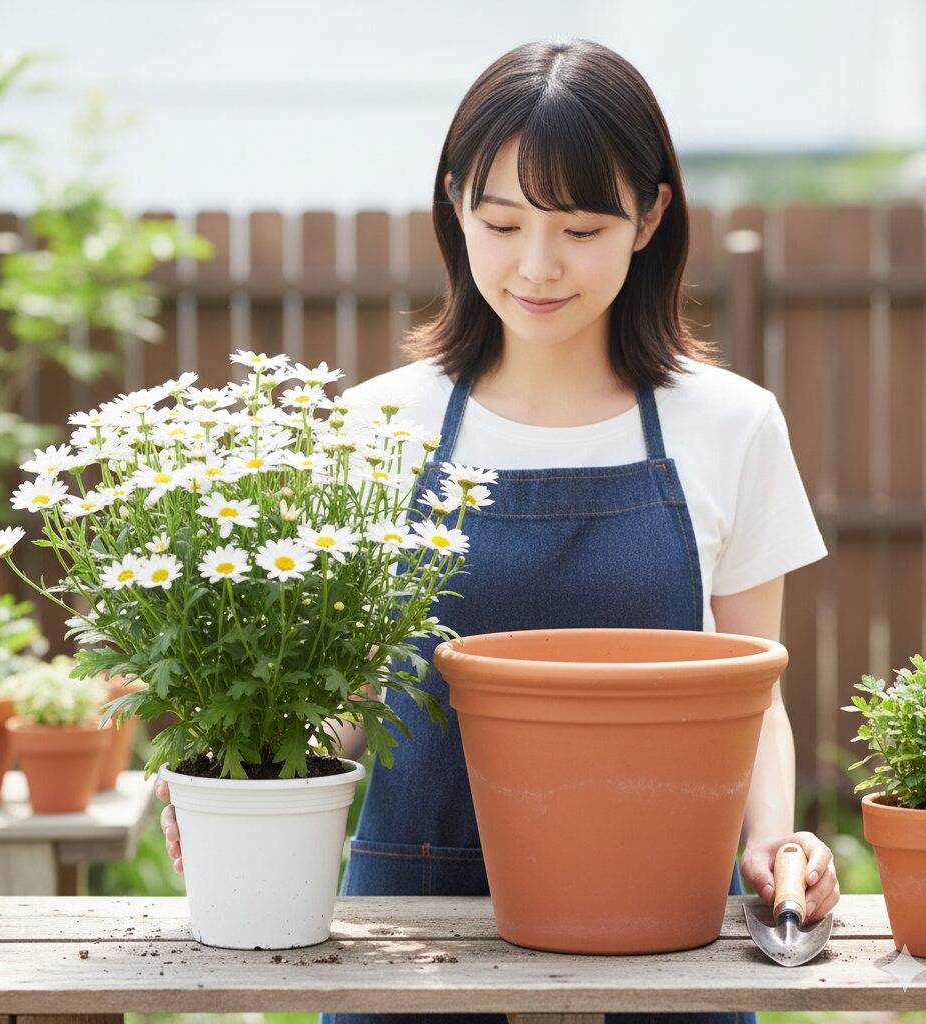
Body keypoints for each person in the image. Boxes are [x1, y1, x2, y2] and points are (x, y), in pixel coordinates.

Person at [156, 38, 841, 1024]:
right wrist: (248, 775)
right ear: (453, 206)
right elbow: (346, 694)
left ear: (650, 216)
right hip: (410, 940)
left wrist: (772, 848)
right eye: (502, 220)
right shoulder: (373, 426)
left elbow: (750, 693)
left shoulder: (731, 422)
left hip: (663, 936)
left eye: (579, 226)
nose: (535, 265)